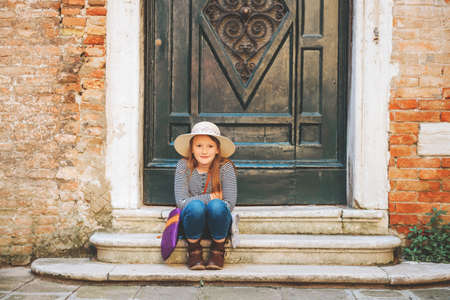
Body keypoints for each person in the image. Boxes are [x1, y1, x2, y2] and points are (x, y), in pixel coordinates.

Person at [173, 121, 237, 270]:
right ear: (192, 149)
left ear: (217, 149)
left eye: (210, 146)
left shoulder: (225, 167)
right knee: (196, 206)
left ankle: (218, 250)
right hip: (192, 223)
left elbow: (229, 203)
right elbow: (181, 203)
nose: (204, 151)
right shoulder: (183, 165)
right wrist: (211, 197)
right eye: (199, 146)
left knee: (217, 206)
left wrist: (215, 202)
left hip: (219, 223)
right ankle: (194, 250)